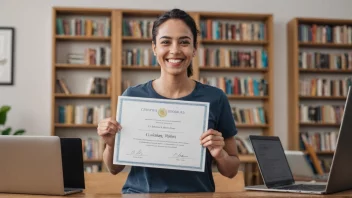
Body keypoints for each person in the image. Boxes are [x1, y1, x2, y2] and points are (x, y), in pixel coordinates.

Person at [97, 8, 240, 194]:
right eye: (166, 42)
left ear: (194, 49)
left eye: (184, 42)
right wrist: (111, 143)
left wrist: (220, 155)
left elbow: (231, 171)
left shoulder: (215, 98)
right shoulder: (133, 97)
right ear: (154, 48)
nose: (175, 50)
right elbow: (114, 169)